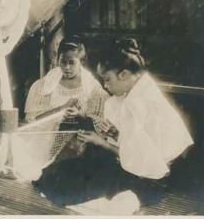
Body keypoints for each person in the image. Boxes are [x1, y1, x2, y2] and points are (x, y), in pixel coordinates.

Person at [33, 39, 194, 209]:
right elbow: (133, 142)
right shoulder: (135, 91)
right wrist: (111, 133)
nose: (105, 85)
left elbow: (142, 158)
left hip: (148, 179)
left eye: (108, 80)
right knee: (60, 173)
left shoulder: (140, 102)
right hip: (135, 164)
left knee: (79, 180)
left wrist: (101, 141)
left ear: (124, 75)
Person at [24, 35, 109, 124]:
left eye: (72, 63)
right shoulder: (45, 85)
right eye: (63, 62)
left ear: (82, 62)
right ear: (58, 60)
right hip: (50, 134)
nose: (67, 67)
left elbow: (99, 122)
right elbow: (33, 120)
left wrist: (80, 116)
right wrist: (61, 109)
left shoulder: (92, 88)